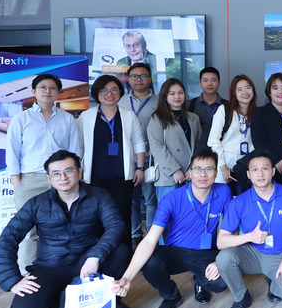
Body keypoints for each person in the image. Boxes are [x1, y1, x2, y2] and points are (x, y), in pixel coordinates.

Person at [0, 150, 130, 308]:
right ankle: (58, 301)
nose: (63, 177)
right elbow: (7, 239)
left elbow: (116, 226)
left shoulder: (99, 196)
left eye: (68, 171)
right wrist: (12, 280)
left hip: (86, 262)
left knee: (121, 251)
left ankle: (110, 300)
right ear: (49, 179)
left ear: (79, 172)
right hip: (50, 266)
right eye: (56, 174)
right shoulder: (37, 203)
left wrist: (95, 255)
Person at [112, 150, 232, 308]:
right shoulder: (172, 198)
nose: (203, 174)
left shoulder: (224, 192)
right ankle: (171, 296)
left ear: (216, 173)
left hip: (205, 252)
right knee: (150, 262)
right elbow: (150, 239)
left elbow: (230, 230)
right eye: (198, 169)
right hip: (175, 251)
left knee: (220, 283)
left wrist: (220, 260)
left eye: (209, 169)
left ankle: (199, 281)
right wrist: (127, 277)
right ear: (190, 172)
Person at [5, 74, 81, 275]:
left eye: (52, 88)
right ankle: (27, 275)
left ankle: (60, 272)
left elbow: (74, 151)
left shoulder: (67, 119)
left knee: (63, 228)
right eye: (43, 87)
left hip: (61, 180)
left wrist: (73, 178)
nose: (48, 91)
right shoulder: (21, 119)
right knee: (28, 232)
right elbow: (12, 152)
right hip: (30, 180)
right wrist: (17, 182)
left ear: (58, 92)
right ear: (33, 91)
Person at [216, 153, 282, 308]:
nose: (260, 174)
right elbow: (221, 241)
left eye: (265, 168)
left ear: (273, 171)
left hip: (279, 255)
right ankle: (241, 297)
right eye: (255, 170)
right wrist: (249, 237)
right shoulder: (239, 202)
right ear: (249, 174)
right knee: (223, 258)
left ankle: (273, 285)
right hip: (251, 253)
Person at [77, 75, 146, 249]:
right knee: (95, 217)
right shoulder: (86, 116)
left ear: (120, 92)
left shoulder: (129, 116)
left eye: (114, 89)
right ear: (96, 93)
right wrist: (78, 170)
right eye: (104, 90)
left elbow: (139, 142)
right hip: (94, 177)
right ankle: (98, 255)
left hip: (122, 177)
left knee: (122, 216)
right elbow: (78, 146)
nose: (109, 94)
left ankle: (124, 255)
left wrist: (139, 168)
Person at [146, 78, 201, 220]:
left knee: (190, 216)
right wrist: (175, 170)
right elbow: (157, 146)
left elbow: (199, 145)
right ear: (165, 96)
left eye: (180, 93)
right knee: (168, 217)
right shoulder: (158, 118)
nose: (177, 96)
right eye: (172, 93)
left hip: (190, 175)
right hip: (168, 176)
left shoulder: (193, 118)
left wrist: (194, 168)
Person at [118, 62, 159, 247]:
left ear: (149, 79)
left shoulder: (160, 101)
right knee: (132, 200)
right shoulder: (120, 102)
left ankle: (151, 234)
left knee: (151, 200)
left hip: (152, 159)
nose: (139, 80)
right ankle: (135, 234)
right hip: (128, 159)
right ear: (129, 79)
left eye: (143, 76)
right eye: (134, 76)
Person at [248, 72, 282, 187]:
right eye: (275, 88)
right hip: (271, 169)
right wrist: (275, 160)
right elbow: (258, 142)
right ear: (269, 92)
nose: (280, 92)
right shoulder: (261, 113)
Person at [208, 75, 257, 187]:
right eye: (239, 89)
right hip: (225, 162)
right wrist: (223, 167)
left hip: (248, 164)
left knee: (245, 196)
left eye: (248, 88)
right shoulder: (224, 110)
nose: (245, 92)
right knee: (222, 194)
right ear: (234, 93)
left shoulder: (256, 113)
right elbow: (213, 140)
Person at [187, 67, 228, 152]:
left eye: (213, 80)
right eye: (205, 80)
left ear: (219, 83)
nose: (209, 84)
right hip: (196, 151)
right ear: (200, 83)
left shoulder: (228, 106)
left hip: (220, 151)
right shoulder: (191, 105)